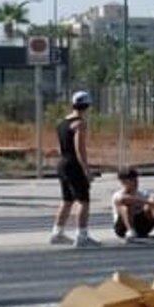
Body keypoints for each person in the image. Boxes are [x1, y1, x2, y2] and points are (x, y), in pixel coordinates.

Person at [51, 91, 99, 247]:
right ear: (87, 106)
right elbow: (80, 148)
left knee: (67, 200)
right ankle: (82, 235)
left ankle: (57, 232)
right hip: (73, 164)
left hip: (63, 163)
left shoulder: (62, 123)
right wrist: (86, 169)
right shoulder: (80, 124)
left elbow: (61, 147)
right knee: (83, 200)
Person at [110, 167, 154, 242]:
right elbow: (122, 200)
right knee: (126, 206)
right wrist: (147, 202)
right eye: (132, 180)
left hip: (142, 225)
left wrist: (152, 203)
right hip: (123, 227)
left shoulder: (143, 193)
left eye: (136, 180)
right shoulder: (117, 194)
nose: (135, 182)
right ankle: (131, 231)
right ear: (123, 182)